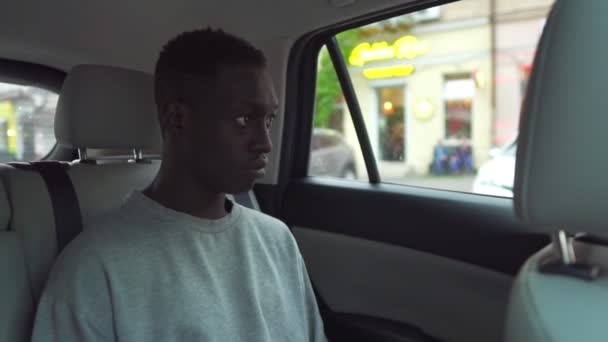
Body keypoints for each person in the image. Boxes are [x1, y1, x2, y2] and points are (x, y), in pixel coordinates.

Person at [31, 28, 327, 342]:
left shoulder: (277, 239)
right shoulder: (95, 268)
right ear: (177, 118)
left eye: (268, 120)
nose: (265, 143)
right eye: (243, 119)